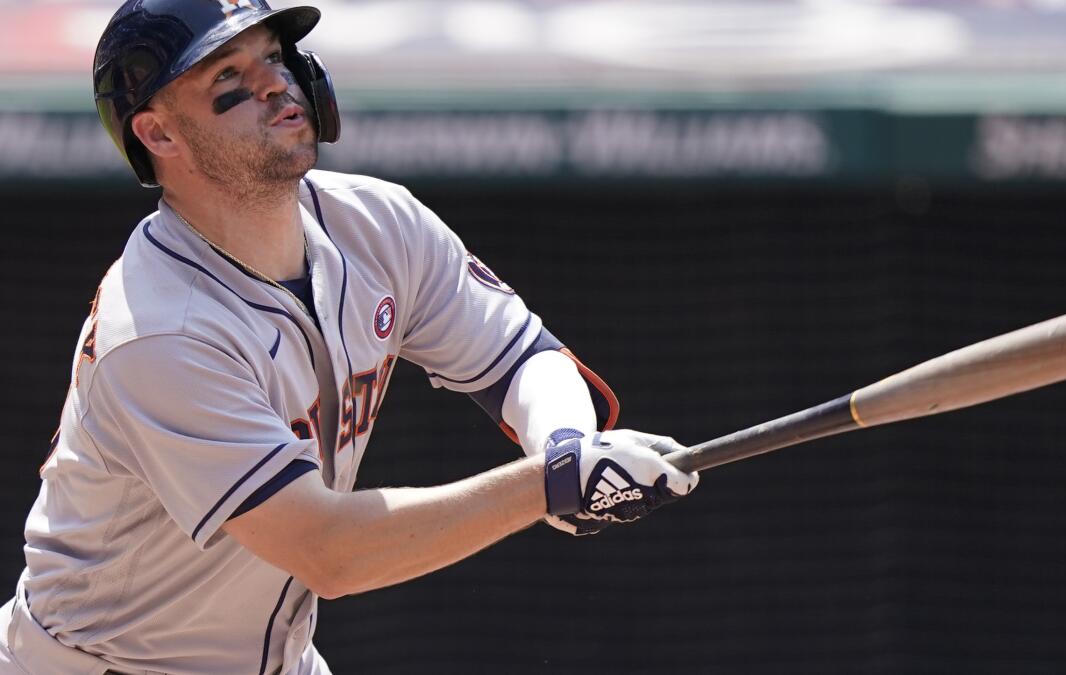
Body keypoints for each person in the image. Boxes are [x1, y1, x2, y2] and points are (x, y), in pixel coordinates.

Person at [0, 1, 698, 673]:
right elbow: (328, 551)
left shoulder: (375, 223)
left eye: (273, 57)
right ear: (159, 135)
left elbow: (522, 359)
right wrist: (544, 488)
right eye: (229, 77)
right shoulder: (159, 329)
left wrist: (570, 446)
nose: (275, 81)